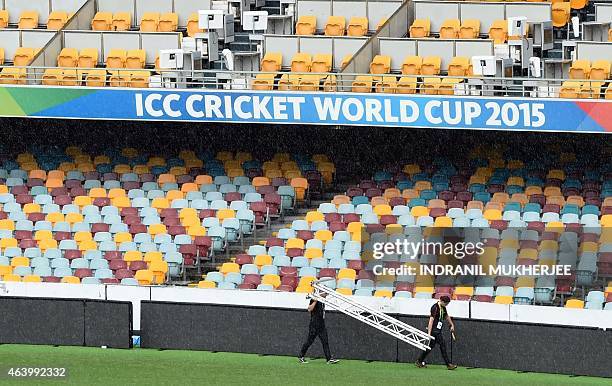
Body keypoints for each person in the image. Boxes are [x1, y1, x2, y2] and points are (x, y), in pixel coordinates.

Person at [415, 295, 458, 370]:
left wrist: (452, 324)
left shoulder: (443, 307)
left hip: (438, 329)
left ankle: (419, 361)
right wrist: (429, 333)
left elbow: (446, 316)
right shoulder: (435, 308)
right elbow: (431, 320)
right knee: (443, 345)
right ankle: (448, 364)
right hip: (434, 330)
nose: (446, 305)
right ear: (441, 301)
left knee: (430, 346)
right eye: (446, 303)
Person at [298, 293, 339, 364]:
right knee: (309, 341)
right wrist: (315, 301)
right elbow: (309, 309)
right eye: (325, 293)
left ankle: (329, 359)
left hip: (321, 325)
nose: (326, 294)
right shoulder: (314, 299)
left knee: (325, 341)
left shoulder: (323, 301)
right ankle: (301, 356)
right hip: (314, 324)